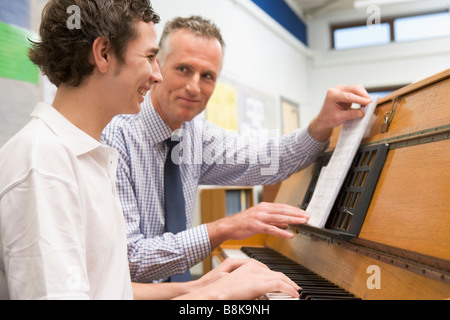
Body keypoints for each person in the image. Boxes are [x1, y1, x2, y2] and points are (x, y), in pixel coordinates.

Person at [0, 0, 300, 300]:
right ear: (103, 54)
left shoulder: (90, 157)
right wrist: (216, 297)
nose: (157, 75)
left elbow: (109, 290)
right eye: (150, 57)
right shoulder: (44, 165)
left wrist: (197, 286)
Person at [102, 15, 373, 283]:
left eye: (207, 76)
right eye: (184, 69)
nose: (194, 87)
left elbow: (270, 159)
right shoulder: (116, 136)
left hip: (184, 291)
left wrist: (321, 124)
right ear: (157, 66)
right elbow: (130, 261)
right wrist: (225, 227)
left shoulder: (196, 135)